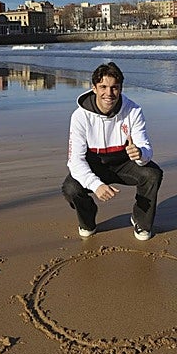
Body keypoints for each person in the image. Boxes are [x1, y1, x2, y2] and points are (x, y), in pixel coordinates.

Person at [62, 62, 163, 241]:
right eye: (103, 87)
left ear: (121, 88)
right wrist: (96, 185)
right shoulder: (79, 116)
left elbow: (146, 148)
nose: (109, 94)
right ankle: (88, 218)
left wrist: (140, 154)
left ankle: (141, 220)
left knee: (153, 174)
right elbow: (75, 161)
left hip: (124, 163)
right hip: (94, 164)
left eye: (114, 88)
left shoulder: (133, 111)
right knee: (71, 188)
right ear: (94, 88)